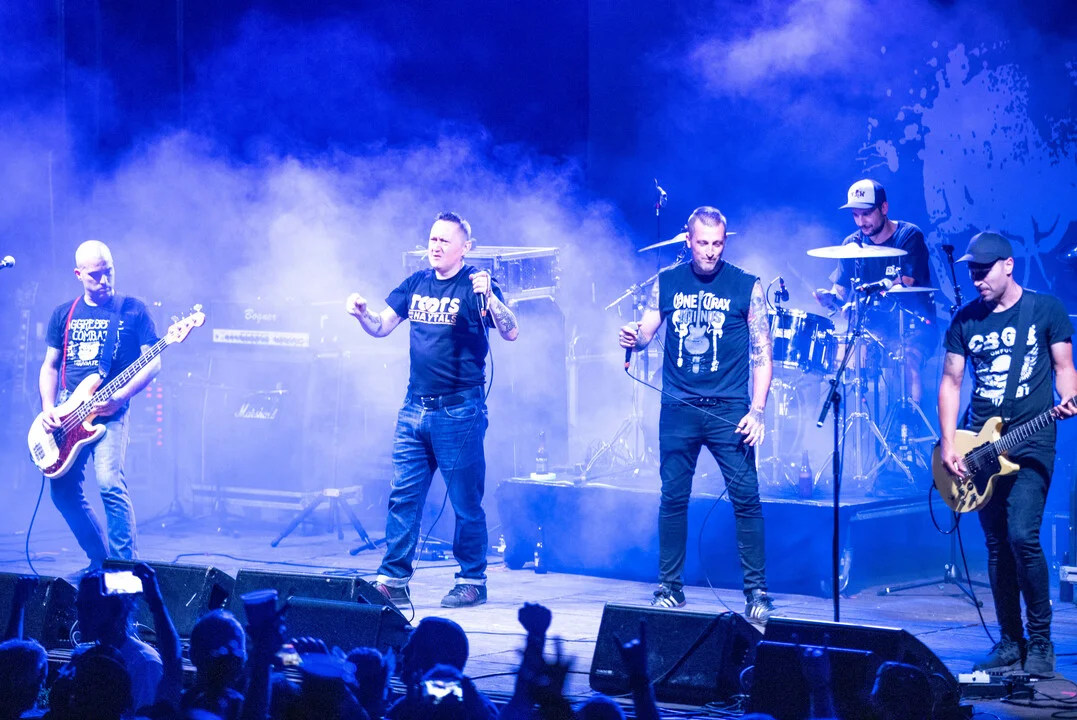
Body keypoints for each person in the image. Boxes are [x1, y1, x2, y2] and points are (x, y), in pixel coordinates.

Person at [346, 212, 519, 608]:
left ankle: (472, 580)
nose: (436, 246)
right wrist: (362, 314)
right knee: (403, 497)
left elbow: (511, 331)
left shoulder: (476, 284)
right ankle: (393, 580)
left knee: (465, 503)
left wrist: (491, 299)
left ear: (465, 248)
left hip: (459, 411)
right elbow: (381, 326)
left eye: (444, 240)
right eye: (432, 239)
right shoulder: (417, 283)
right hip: (414, 409)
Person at [618, 206, 774, 621]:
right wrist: (633, 338)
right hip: (678, 408)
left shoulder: (746, 285)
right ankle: (670, 588)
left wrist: (758, 410)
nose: (710, 251)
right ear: (688, 241)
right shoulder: (667, 281)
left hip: (729, 410)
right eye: (702, 243)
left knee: (746, 499)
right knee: (673, 498)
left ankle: (757, 592)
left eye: (717, 243)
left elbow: (762, 353)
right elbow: (646, 334)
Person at [937, 231, 1077, 677]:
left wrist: (1068, 396)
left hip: (1033, 439)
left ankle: (1041, 640)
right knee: (997, 544)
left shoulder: (1045, 309)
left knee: (1022, 537)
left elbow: (1064, 367)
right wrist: (948, 443)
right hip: (981, 447)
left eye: (985, 271)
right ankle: (1010, 641)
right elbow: (951, 383)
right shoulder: (966, 321)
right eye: (973, 272)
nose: (977, 279)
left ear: (1009, 265)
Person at [39, 240, 160, 568]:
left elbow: (153, 363)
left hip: (110, 411)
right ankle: (99, 561)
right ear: (78, 274)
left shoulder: (133, 310)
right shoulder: (63, 313)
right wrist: (48, 407)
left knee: (109, 483)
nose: (104, 280)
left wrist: (120, 396)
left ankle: (124, 569)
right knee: (62, 493)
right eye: (95, 275)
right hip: (67, 411)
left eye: (109, 271)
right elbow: (50, 366)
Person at [815, 179, 938, 403]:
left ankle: (909, 420)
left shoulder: (909, 236)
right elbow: (841, 289)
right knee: (833, 363)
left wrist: (862, 302)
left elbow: (907, 281)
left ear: (884, 208)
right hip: (872, 330)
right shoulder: (852, 244)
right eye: (855, 215)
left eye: (867, 213)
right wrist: (831, 297)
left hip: (912, 327)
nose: (861, 222)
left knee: (907, 362)